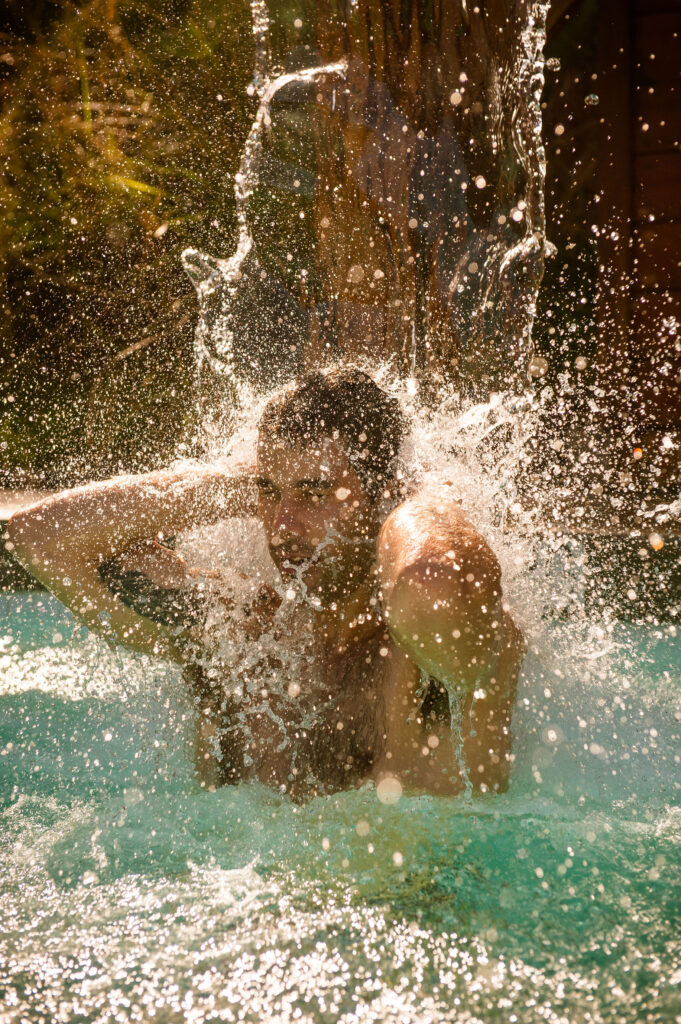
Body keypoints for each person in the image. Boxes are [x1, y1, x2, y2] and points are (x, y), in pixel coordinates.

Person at [8, 366, 524, 800]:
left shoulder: (427, 653)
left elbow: (434, 584)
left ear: (386, 496)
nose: (282, 525)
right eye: (270, 493)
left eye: (316, 493)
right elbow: (38, 539)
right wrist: (236, 487)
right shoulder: (240, 629)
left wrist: (415, 499)